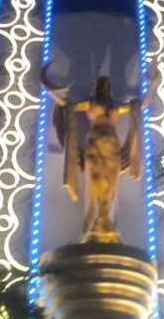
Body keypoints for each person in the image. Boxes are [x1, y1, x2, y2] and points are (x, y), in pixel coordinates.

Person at [41, 64, 155, 243]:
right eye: (100, 85)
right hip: (94, 146)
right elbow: (65, 104)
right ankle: (88, 227)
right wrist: (50, 91)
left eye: (106, 85)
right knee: (94, 183)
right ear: (95, 88)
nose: (104, 88)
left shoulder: (116, 105)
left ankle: (111, 226)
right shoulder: (90, 103)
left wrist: (153, 85)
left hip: (112, 147)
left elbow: (141, 105)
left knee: (111, 185)